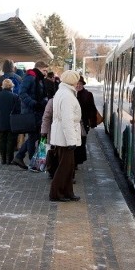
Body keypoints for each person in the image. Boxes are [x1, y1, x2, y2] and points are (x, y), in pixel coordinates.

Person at [49, 70, 82, 202]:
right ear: (73, 81)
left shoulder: (61, 92)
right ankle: (56, 193)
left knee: (68, 166)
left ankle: (68, 192)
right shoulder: (68, 96)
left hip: (61, 136)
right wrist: (71, 141)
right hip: (65, 138)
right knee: (65, 167)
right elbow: (67, 120)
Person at [11, 61, 49, 169]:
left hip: (37, 112)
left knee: (36, 136)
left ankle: (19, 156)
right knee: (33, 137)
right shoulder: (30, 77)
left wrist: (43, 102)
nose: (46, 73)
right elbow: (22, 93)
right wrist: (34, 104)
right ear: (38, 68)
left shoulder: (39, 78)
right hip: (31, 112)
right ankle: (32, 162)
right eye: (44, 70)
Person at [0, 79, 20, 165]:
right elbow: (18, 110)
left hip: (1, 121)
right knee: (11, 140)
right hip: (12, 121)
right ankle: (9, 159)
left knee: (2, 139)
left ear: (2, 86)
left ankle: (3, 158)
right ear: (11, 86)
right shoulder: (15, 96)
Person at [75, 76, 98, 166]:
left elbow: (92, 109)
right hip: (73, 122)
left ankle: (77, 161)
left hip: (83, 122)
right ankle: (74, 161)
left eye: (80, 84)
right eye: (77, 84)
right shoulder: (71, 93)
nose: (78, 85)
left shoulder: (88, 94)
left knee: (81, 141)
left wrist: (92, 122)